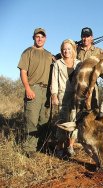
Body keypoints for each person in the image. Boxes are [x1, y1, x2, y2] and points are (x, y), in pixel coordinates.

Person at [18, 28, 53, 156]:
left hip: (47, 90)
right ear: (33, 37)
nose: (40, 39)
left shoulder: (49, 55)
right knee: (31, 119)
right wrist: (28, 88)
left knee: (44, 119)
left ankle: (42, 145)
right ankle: (29, 148)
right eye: (37, 36)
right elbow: (23, 72)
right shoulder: (28, 52)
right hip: (34, 88)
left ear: (45, 38)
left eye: (42, 37)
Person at [51, 39, 81, 157]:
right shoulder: (58, 63)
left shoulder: (79, 63)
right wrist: (54, 95)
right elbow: (54, 80)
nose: (66, 51)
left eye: (69, 49)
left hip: (76, 95)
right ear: (61, 50)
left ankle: (70, 146)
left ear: (73, 49)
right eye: (64, 49)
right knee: (62, 121)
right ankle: (59, 147)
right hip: (62, 94)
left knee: (74, 121)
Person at [77, 27, 103, 109]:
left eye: (88, 36)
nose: (85, 39)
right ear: (81, 37)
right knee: (78, 108)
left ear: (91, 37)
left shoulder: (98, 51)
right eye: (84, 36)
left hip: (92, 83)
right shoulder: (76, 49)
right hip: (78, 84)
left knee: (93, 108)